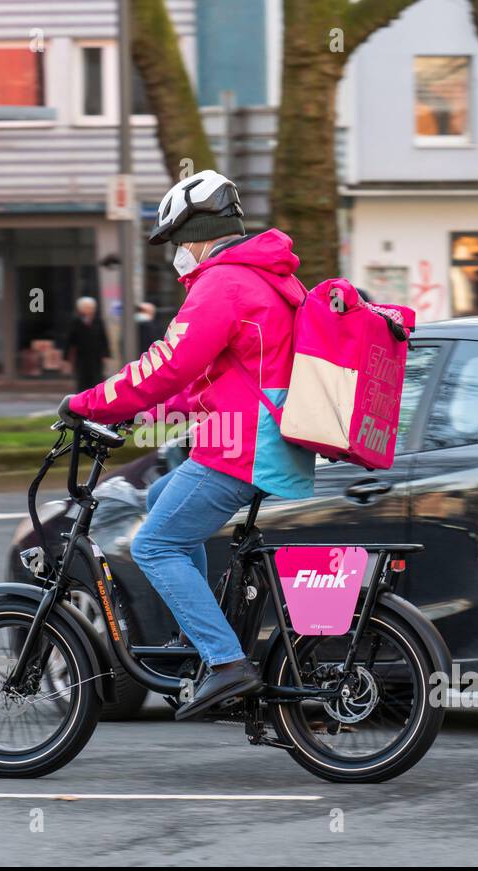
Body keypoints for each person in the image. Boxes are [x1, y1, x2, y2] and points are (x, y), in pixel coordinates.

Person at [58, 170, 314, 720]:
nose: (175, 255)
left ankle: (225, 661)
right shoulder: (262, 278)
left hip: (245, 446)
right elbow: (204, 380)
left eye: (176, 241)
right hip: (259, 438)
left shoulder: (225, 284)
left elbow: (168, 365)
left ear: (197, 235)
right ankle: (197, 639)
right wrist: (139, 414)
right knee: (160, 502)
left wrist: (89, 404)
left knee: (153, 545)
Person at [59, 296, 110, 390]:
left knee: (97, 379)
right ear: (80, 309)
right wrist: (65, 358)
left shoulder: (98, 321)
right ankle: (82, 401)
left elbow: (104, 338)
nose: (89, 310)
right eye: (86, 307)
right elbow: (69, 341)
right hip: (81, 357)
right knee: (82, 380)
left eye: (91, 307)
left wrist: (106, 354)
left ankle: (96, 400)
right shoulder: (76, 322)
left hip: (96, 357)